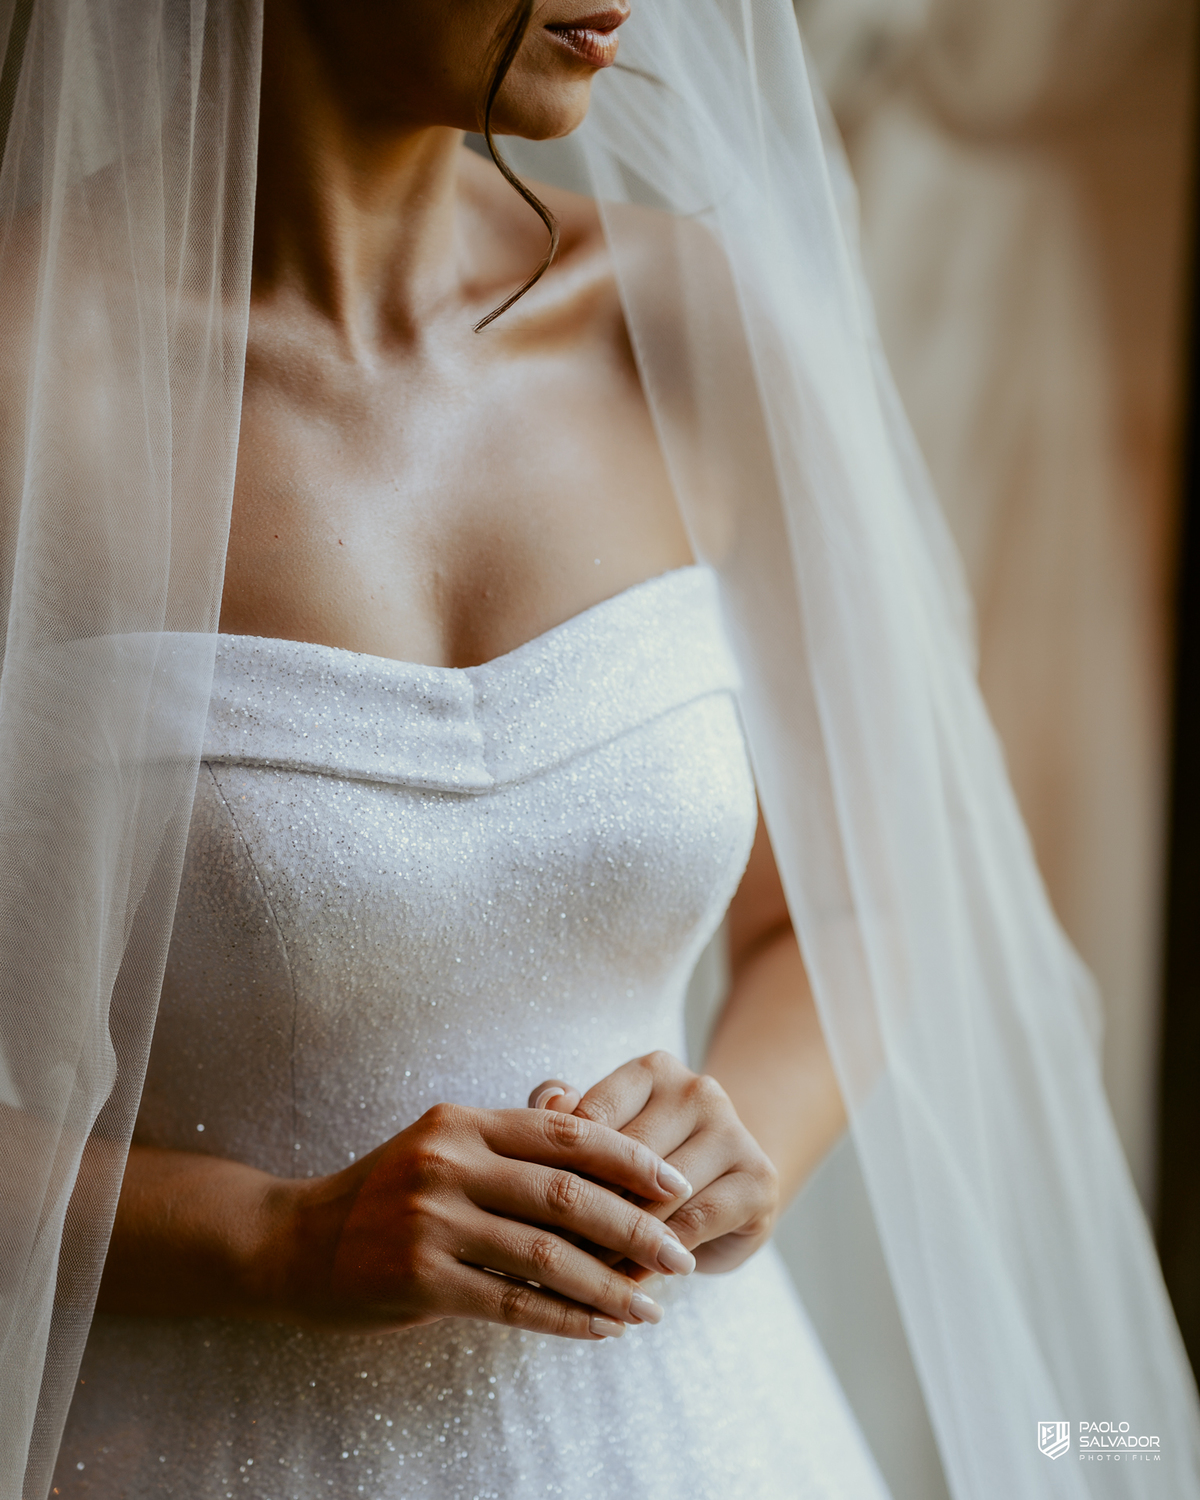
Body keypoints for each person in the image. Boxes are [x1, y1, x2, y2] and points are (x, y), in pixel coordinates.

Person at [2, 2, 1197, 1499]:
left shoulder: (688, 326)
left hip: (702, 1434)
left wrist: (733, 1130)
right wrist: (282, 1237)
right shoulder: (25, 375)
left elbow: (856, 903)